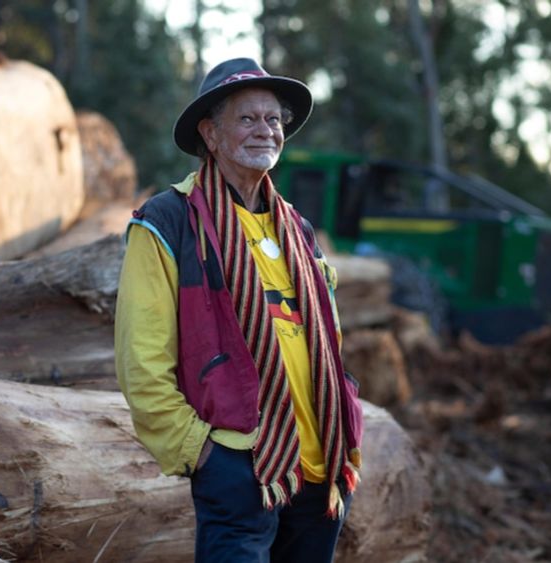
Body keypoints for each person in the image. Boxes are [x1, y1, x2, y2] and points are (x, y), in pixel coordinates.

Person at [114, 58, 365, 562]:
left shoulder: (297, 229)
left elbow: (329, 341)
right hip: (241, 466)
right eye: (247, 119)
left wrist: (349, 410)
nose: (265, 131)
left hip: (320, 468)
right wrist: (201, 453)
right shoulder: (169, 220)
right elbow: (140, 356)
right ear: (210, 133)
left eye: (273, 120)